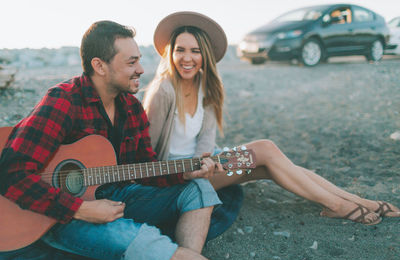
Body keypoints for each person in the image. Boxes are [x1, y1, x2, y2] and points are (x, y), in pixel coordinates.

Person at [143, 11, 400, 227]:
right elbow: (147, 153)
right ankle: (338, 204)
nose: (187, 58)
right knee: (265, 149)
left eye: (195, 51)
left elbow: (206, 138)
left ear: (205, 55)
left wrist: (206, 160)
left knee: (270, 165)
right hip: (177, 176)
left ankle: (358, 201)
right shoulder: (163, 90)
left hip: (207, 164)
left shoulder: (207, 86)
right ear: (170, 53)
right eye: (180, 50)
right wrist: (190, 170)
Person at [0, 20, 222, 260]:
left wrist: (184, 172)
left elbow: (146, 169)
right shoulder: (64, 101)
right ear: (100, 66)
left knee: (200, 189)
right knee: (143, 239)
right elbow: (11, 173)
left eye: (138, 60)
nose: (140, 69)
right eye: (131, 62)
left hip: (117, 197)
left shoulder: (131, 106)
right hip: (56, 216)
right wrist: (80, 209)